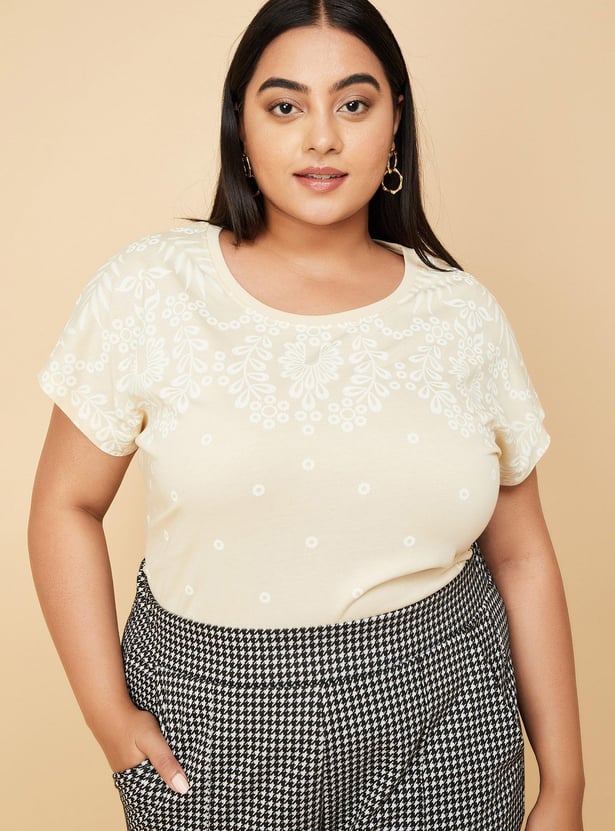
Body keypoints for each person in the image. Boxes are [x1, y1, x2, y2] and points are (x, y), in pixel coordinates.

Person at [28, 1, 585, 829]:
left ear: (394, 124)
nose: (321, 137)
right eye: (285, 106)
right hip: (212, 721)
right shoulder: (151, 290)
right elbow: (64, 504)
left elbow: (522, 553)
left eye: (353, 104)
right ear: (241, 128)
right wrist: (106, 713)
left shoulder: (459, 313)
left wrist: (565, 786)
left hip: (446, 712)